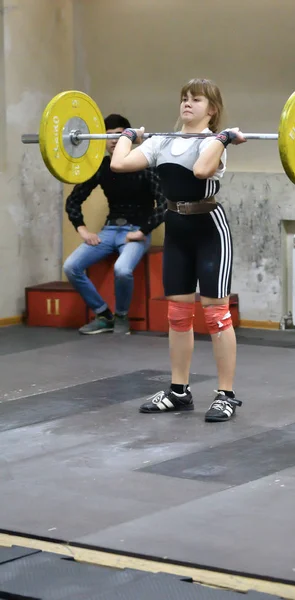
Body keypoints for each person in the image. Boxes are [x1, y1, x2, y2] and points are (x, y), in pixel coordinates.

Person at [111, 78, 246, 422]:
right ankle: (179, 392)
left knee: (216, 314)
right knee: (178, 315)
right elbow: (119, 164)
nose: (187, 104)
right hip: (177, 229)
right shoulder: (161, 141)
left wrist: (223, 137)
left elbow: (201, 171)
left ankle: (226, 395)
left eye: (196, 100)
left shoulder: (216, 143)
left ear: (211, 109)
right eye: (184, 98)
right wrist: (128, 136)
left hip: (209, 229)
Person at [64, 113, 167, 335]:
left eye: (118, 136)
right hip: (110, 230)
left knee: (122, 269)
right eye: (108, 136)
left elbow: (165, 205)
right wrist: (82, 230)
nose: (112, 141)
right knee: (71, 267)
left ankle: (122, 317)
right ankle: (103, 315)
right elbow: (73, 200)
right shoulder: (102, 167)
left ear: (128, 138)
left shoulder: (145, 166)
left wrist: (143, 231)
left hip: (135, 232)